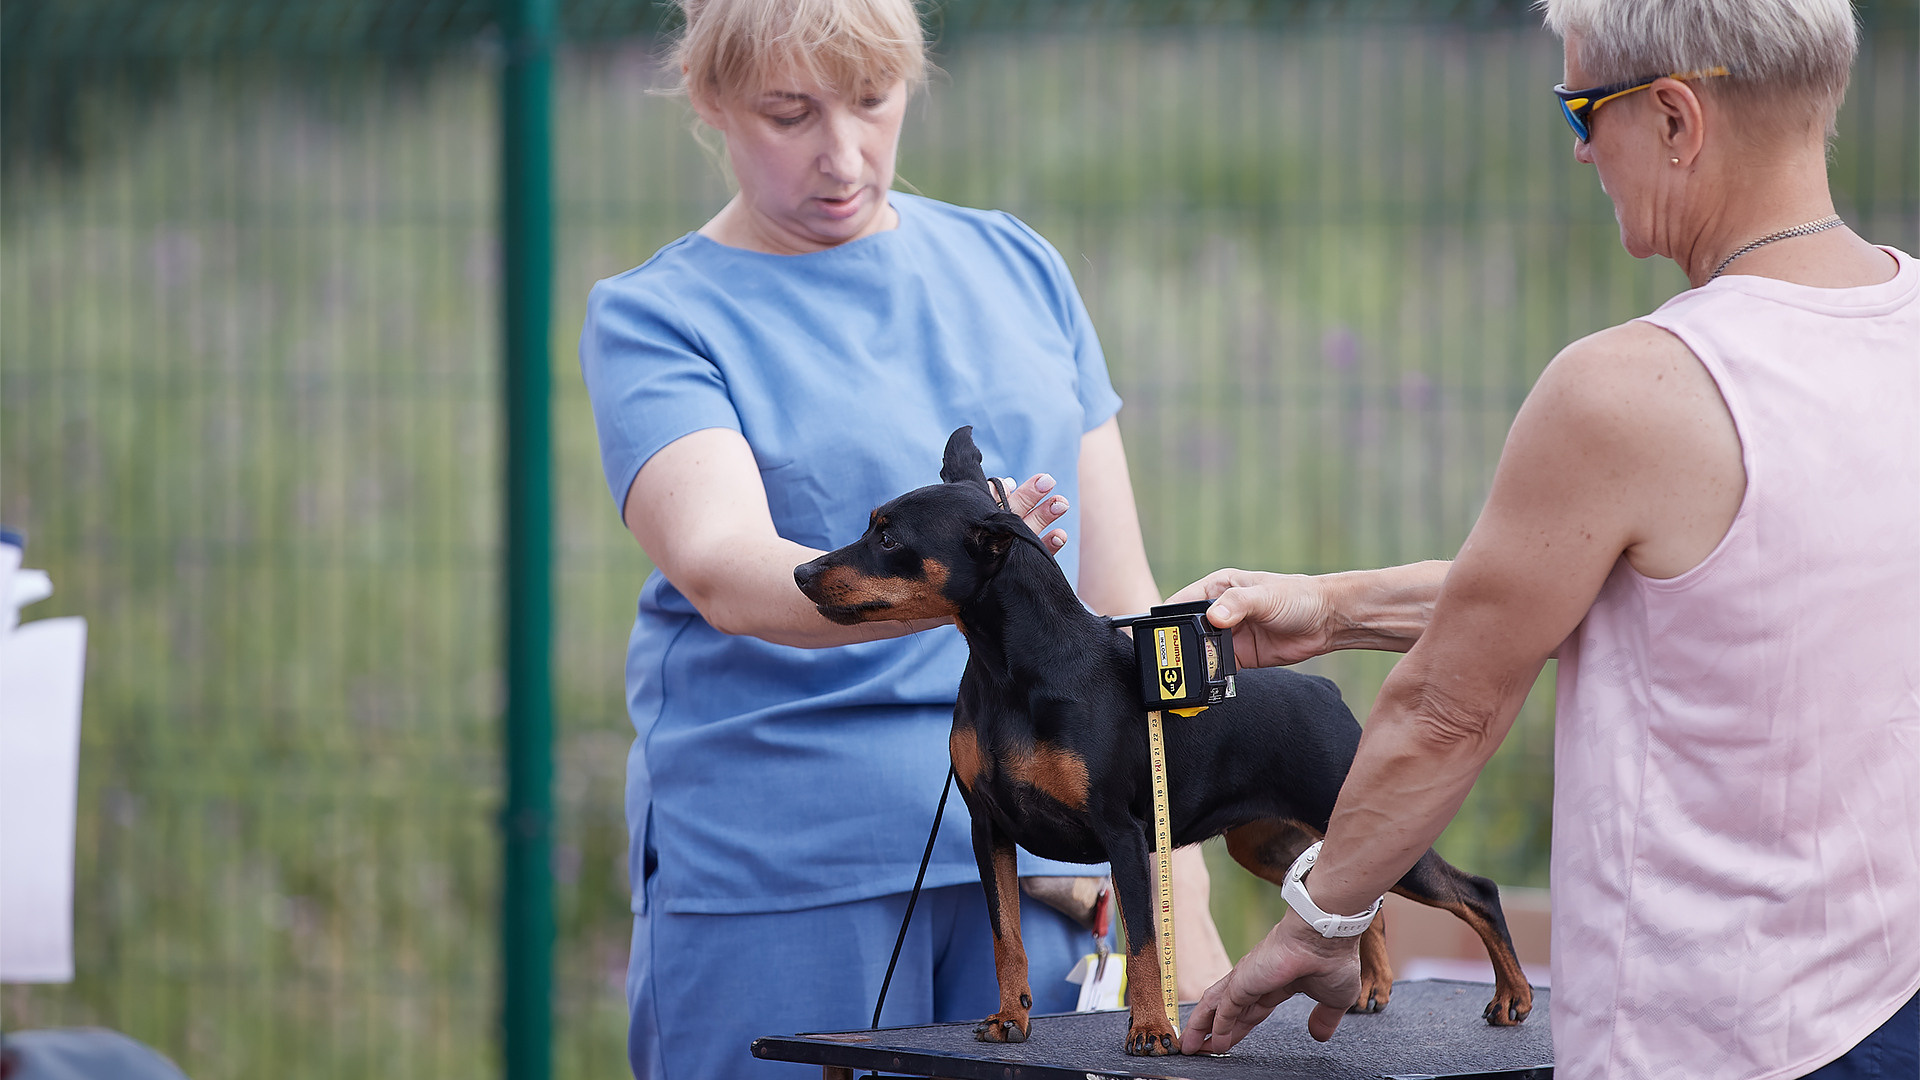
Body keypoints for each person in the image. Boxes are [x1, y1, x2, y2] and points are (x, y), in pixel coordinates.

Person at [1170, 1, 1919, 1077]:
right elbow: (1687, 587)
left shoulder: (1635, 389)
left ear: (1675, 119)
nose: (1577, 147)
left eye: (1583, 107)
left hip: (1718, 1040)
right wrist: (1333, 609)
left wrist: (1316, 925)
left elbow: (1448, 708)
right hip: (1889, 1000)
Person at [576, 0, 1230, 1075]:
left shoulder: (1019, 268)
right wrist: (977, 586)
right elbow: (726, 572)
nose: (843, 157)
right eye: (790, 114)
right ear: (709, 99)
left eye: (874, 102)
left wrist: (1175, 872)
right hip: (785, 884)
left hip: (1053, 871)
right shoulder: (659, 316)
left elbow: (1123, 592)